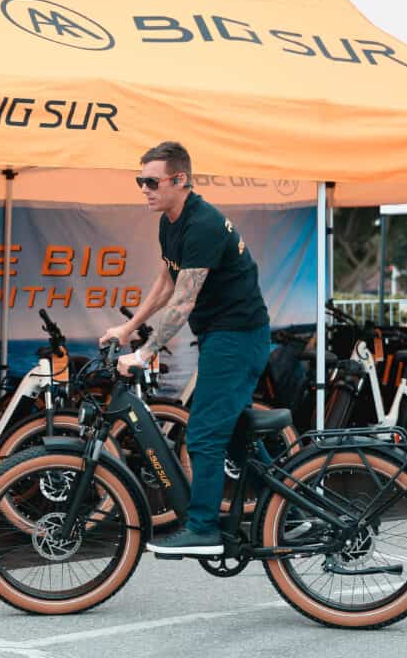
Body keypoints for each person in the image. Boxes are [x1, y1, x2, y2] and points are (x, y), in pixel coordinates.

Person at [99, 141, 270, 556]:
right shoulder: (170, 222)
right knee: (231, 430)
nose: (144, 189)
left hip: (238, 336)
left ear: (180, 180)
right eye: (140, 181)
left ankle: (204, 529)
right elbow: (167, 281)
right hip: (220, 335)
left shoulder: (203, 225)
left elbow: (185, 300)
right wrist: (129, 328)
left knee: (204, 435)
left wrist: (146, 352)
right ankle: (289, 502)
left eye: (152, 181)